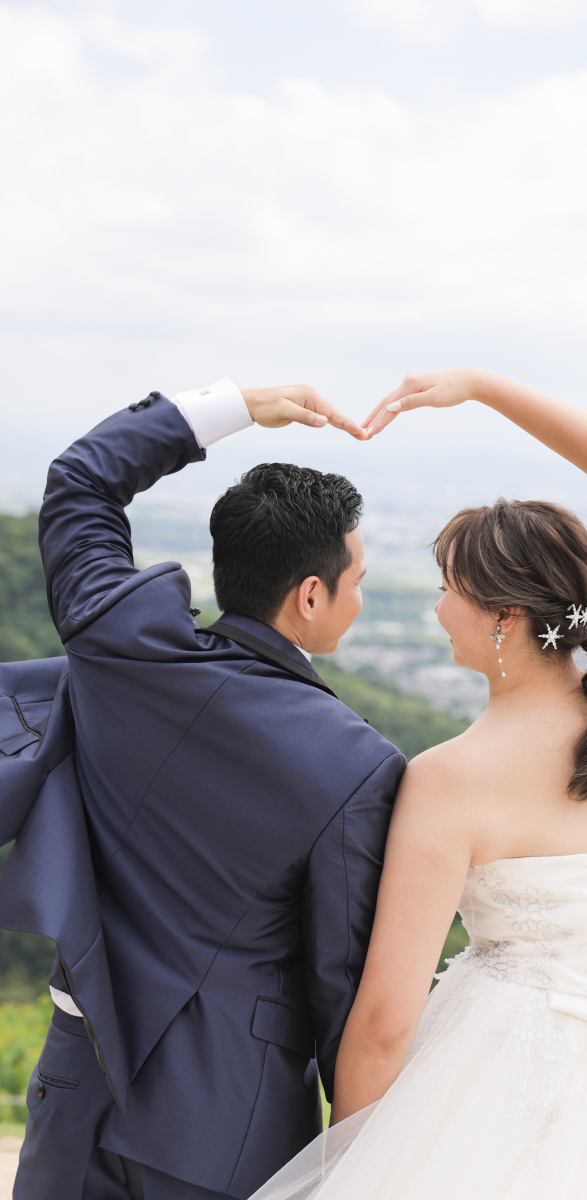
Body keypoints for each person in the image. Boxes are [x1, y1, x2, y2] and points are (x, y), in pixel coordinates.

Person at [251, 369, 587, 1200]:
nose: (436, 608)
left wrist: (353, 1168)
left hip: (502, 1078)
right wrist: (479, 387)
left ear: (502, 617)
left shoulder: (446, 781)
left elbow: (382, 1027)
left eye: (448, 589)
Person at [3, 379, 406, 1199]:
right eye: (356, 579)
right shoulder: (355, 764)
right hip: (228, 1129)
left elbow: (81, 481)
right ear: (310, 595)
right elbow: (341, 989)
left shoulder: (121, 646)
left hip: (76, 1091)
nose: (359, 598)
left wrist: (237, 407)